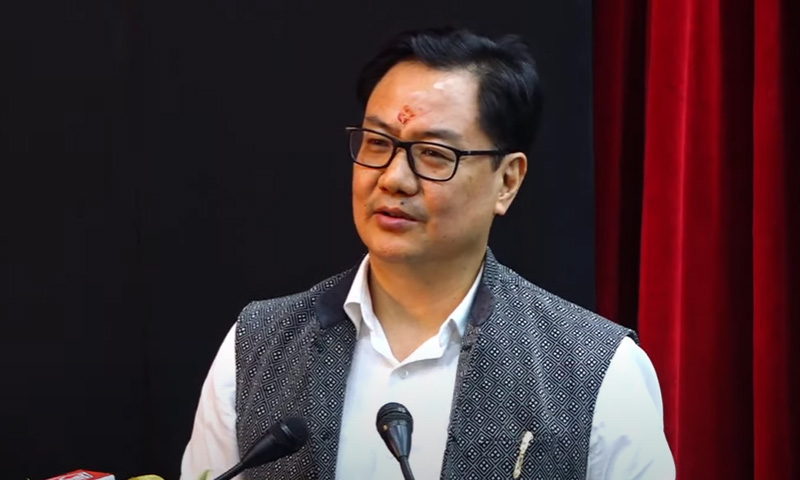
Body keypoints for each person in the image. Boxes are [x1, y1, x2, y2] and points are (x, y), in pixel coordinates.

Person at [181, 27, 675, 480]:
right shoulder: (256, 346)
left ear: (507, 181)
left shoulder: (597, 370)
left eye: (435, 154)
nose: (394, 178)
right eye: (377, 143)